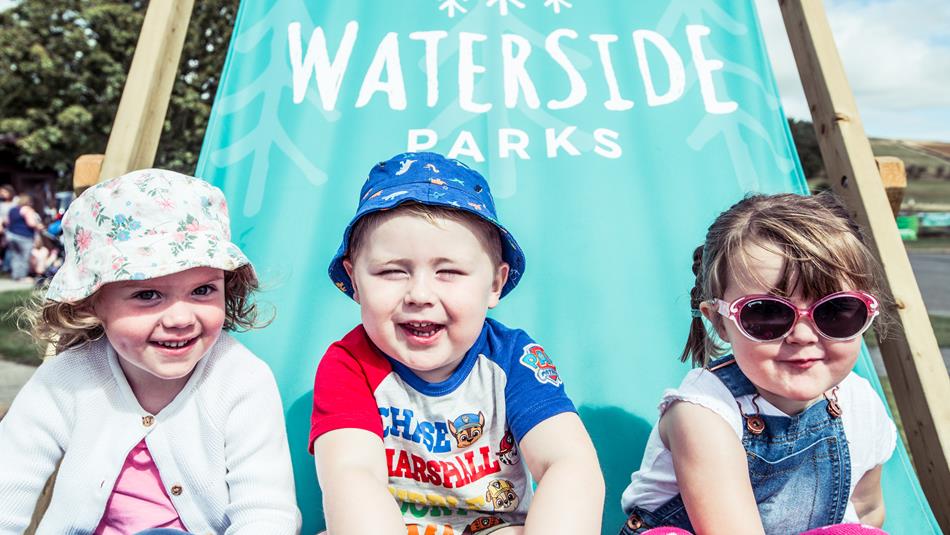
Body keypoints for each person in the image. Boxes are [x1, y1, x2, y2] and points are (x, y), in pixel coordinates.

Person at [311, 152, 604, 535]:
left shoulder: (513, 359)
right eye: (391, 271)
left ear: (495, 284)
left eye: (448, 272)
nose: (419, 294)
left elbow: (568, 463)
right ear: (355, 281)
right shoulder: (349, 365)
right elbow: (352, 476)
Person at [0, 169, 301, 534]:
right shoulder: (68, 378)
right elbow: (9, 479)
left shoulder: (240, 380)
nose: (179, 318)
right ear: (91, 304)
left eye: (203, 290)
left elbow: (266, 511)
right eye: (147, 295)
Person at [618, 193, 896, 535]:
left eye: (835, 311)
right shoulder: (704, 414)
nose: (803, 336)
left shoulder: (860, 403)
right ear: (719, 322)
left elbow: (867, 509)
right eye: (767, 313)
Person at [5, 192, 43, 281]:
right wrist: (39, 226)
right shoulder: (27, 209)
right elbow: (31, 223)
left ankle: (16, 276)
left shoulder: (12, 210)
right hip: (24, 236)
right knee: (24, 256)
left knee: (15, 256)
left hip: (12, 235)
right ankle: (22, 277)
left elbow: (7, 222)